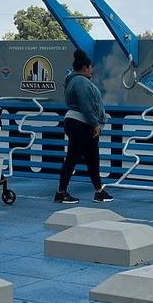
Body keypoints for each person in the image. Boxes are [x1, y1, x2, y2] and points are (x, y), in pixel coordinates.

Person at [54, 49, 113, 205]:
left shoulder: (73, 81)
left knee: (92, 158)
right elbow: (86, 105)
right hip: (82, 124)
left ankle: (99, 191)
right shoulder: (80, 82)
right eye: (90, 67)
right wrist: (95, 124)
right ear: (85, 67)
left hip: (78, 123)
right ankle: (61, 193)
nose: (92, 70)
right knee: (74, 158)